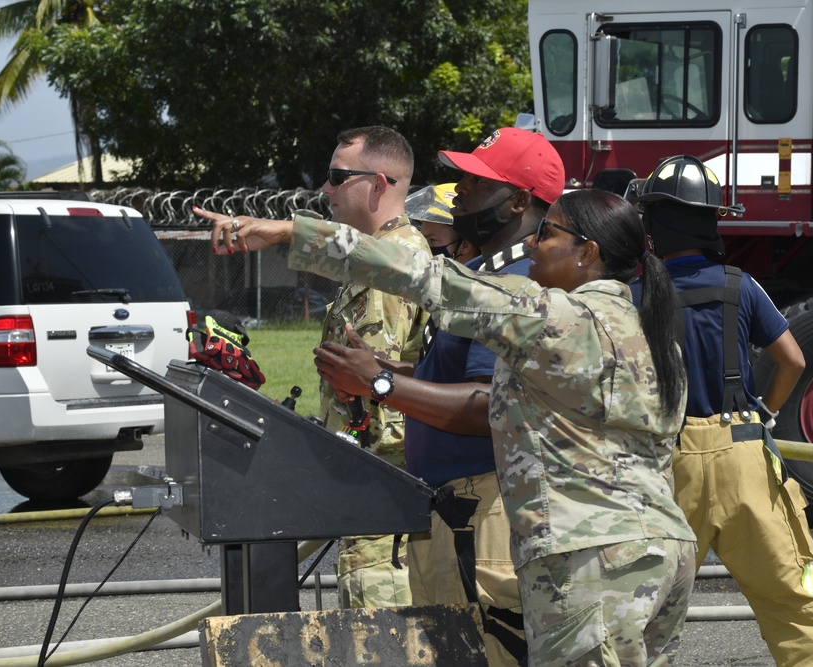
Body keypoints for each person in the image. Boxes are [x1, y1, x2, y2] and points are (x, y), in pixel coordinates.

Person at [197, 186, 699, 667]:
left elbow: (427, 278)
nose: (531, 243)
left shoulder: (553, 317)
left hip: (592, 560)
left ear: (587, 252)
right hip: (666, 553)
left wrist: (290, 233)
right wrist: (384, 375)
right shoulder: (651, 335)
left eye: (547, 233)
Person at [316, 128, 566, 666]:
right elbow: (453, 375)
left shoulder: (519, 284)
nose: (458, 195)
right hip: (457, 510)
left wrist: (381, 384)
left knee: (493, 654)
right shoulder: (481, 275)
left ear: (519, 201)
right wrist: (396, 370)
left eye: (476, 185)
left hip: (488, 511)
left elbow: (486, 403)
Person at [636, 155, 813, 667]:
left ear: (653, 224)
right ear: (712, 219)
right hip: (743, 455)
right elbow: (793, 359)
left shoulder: (636, 296)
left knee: (642, 610)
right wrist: (767, 412)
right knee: (793, 597)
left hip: (667, 468)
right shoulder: (741, 286)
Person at [311, 125, 430, 609]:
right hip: (373, 486)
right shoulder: (380, 259)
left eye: (338, 177)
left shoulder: (392, 264)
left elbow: (380, 398)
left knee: (381, 638)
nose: (326, 190)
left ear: (378, 184)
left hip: (383, 485)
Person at [405, 182, 478, 264]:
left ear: (465, 245)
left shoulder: (487, 274)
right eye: (422, 239)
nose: (421, 247)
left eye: (432, 240)